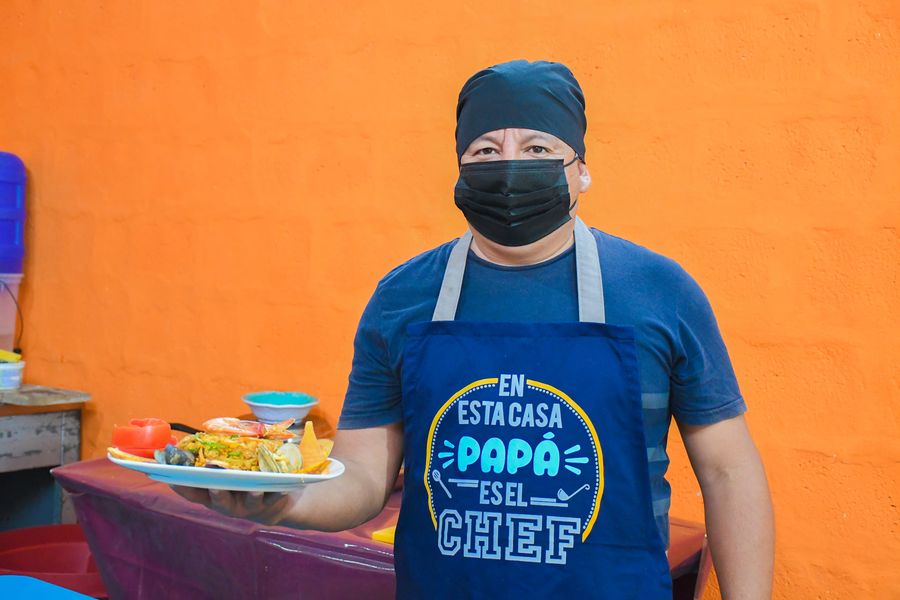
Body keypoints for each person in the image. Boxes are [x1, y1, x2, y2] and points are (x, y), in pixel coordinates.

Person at [176, 60, 774, 598]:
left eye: (538, 147)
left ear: (582, 171)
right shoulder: (403, 297)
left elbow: (728, 471)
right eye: (486, 150)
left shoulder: (659, 291)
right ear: (460, 170)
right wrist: (281, 501)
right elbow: (361, 476)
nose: (510, 166)